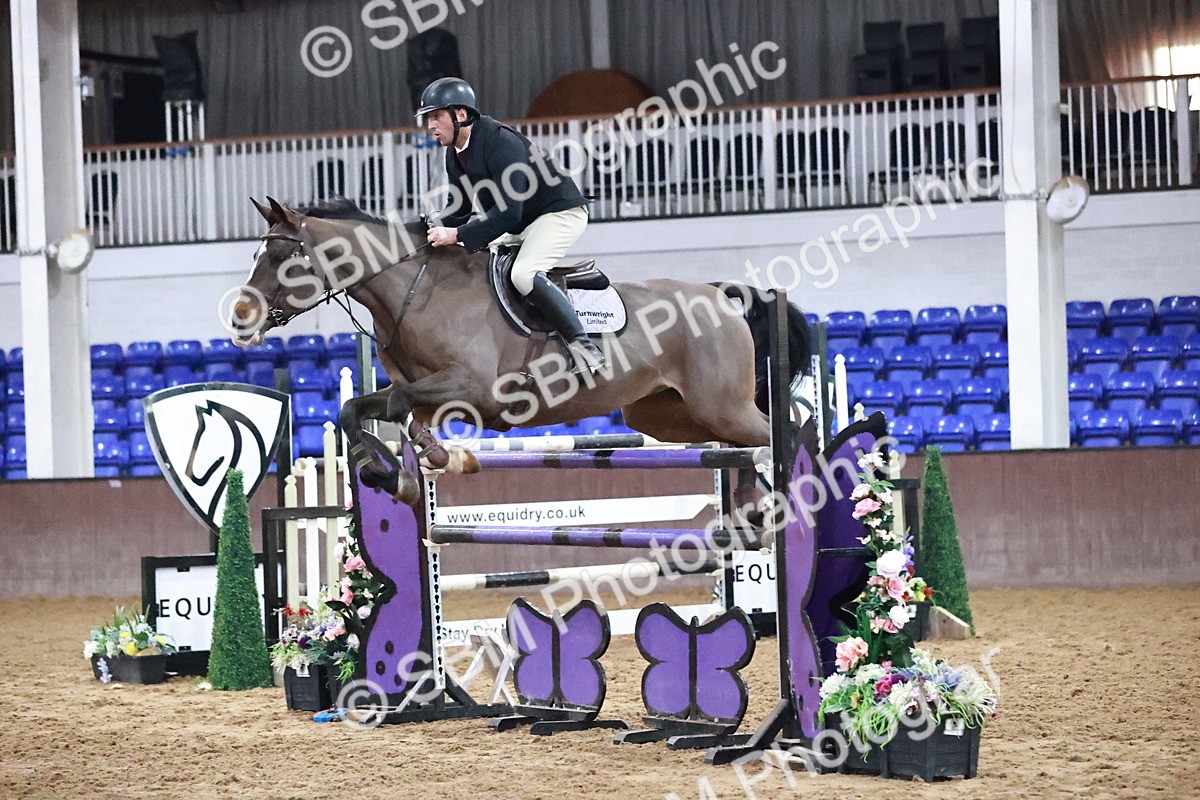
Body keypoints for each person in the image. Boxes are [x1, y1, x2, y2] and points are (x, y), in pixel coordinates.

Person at [417, 77, 605, 374]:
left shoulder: (501, 143)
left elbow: (507, 215)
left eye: (436, 116)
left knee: (523, 274)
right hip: (523, 221)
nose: (430, 125)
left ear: (460, 114)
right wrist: (422, 228)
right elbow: (459, 210)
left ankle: (585, 348)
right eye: (428, 118)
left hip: (558, 213)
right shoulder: (454, 154)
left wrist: (456, 234)